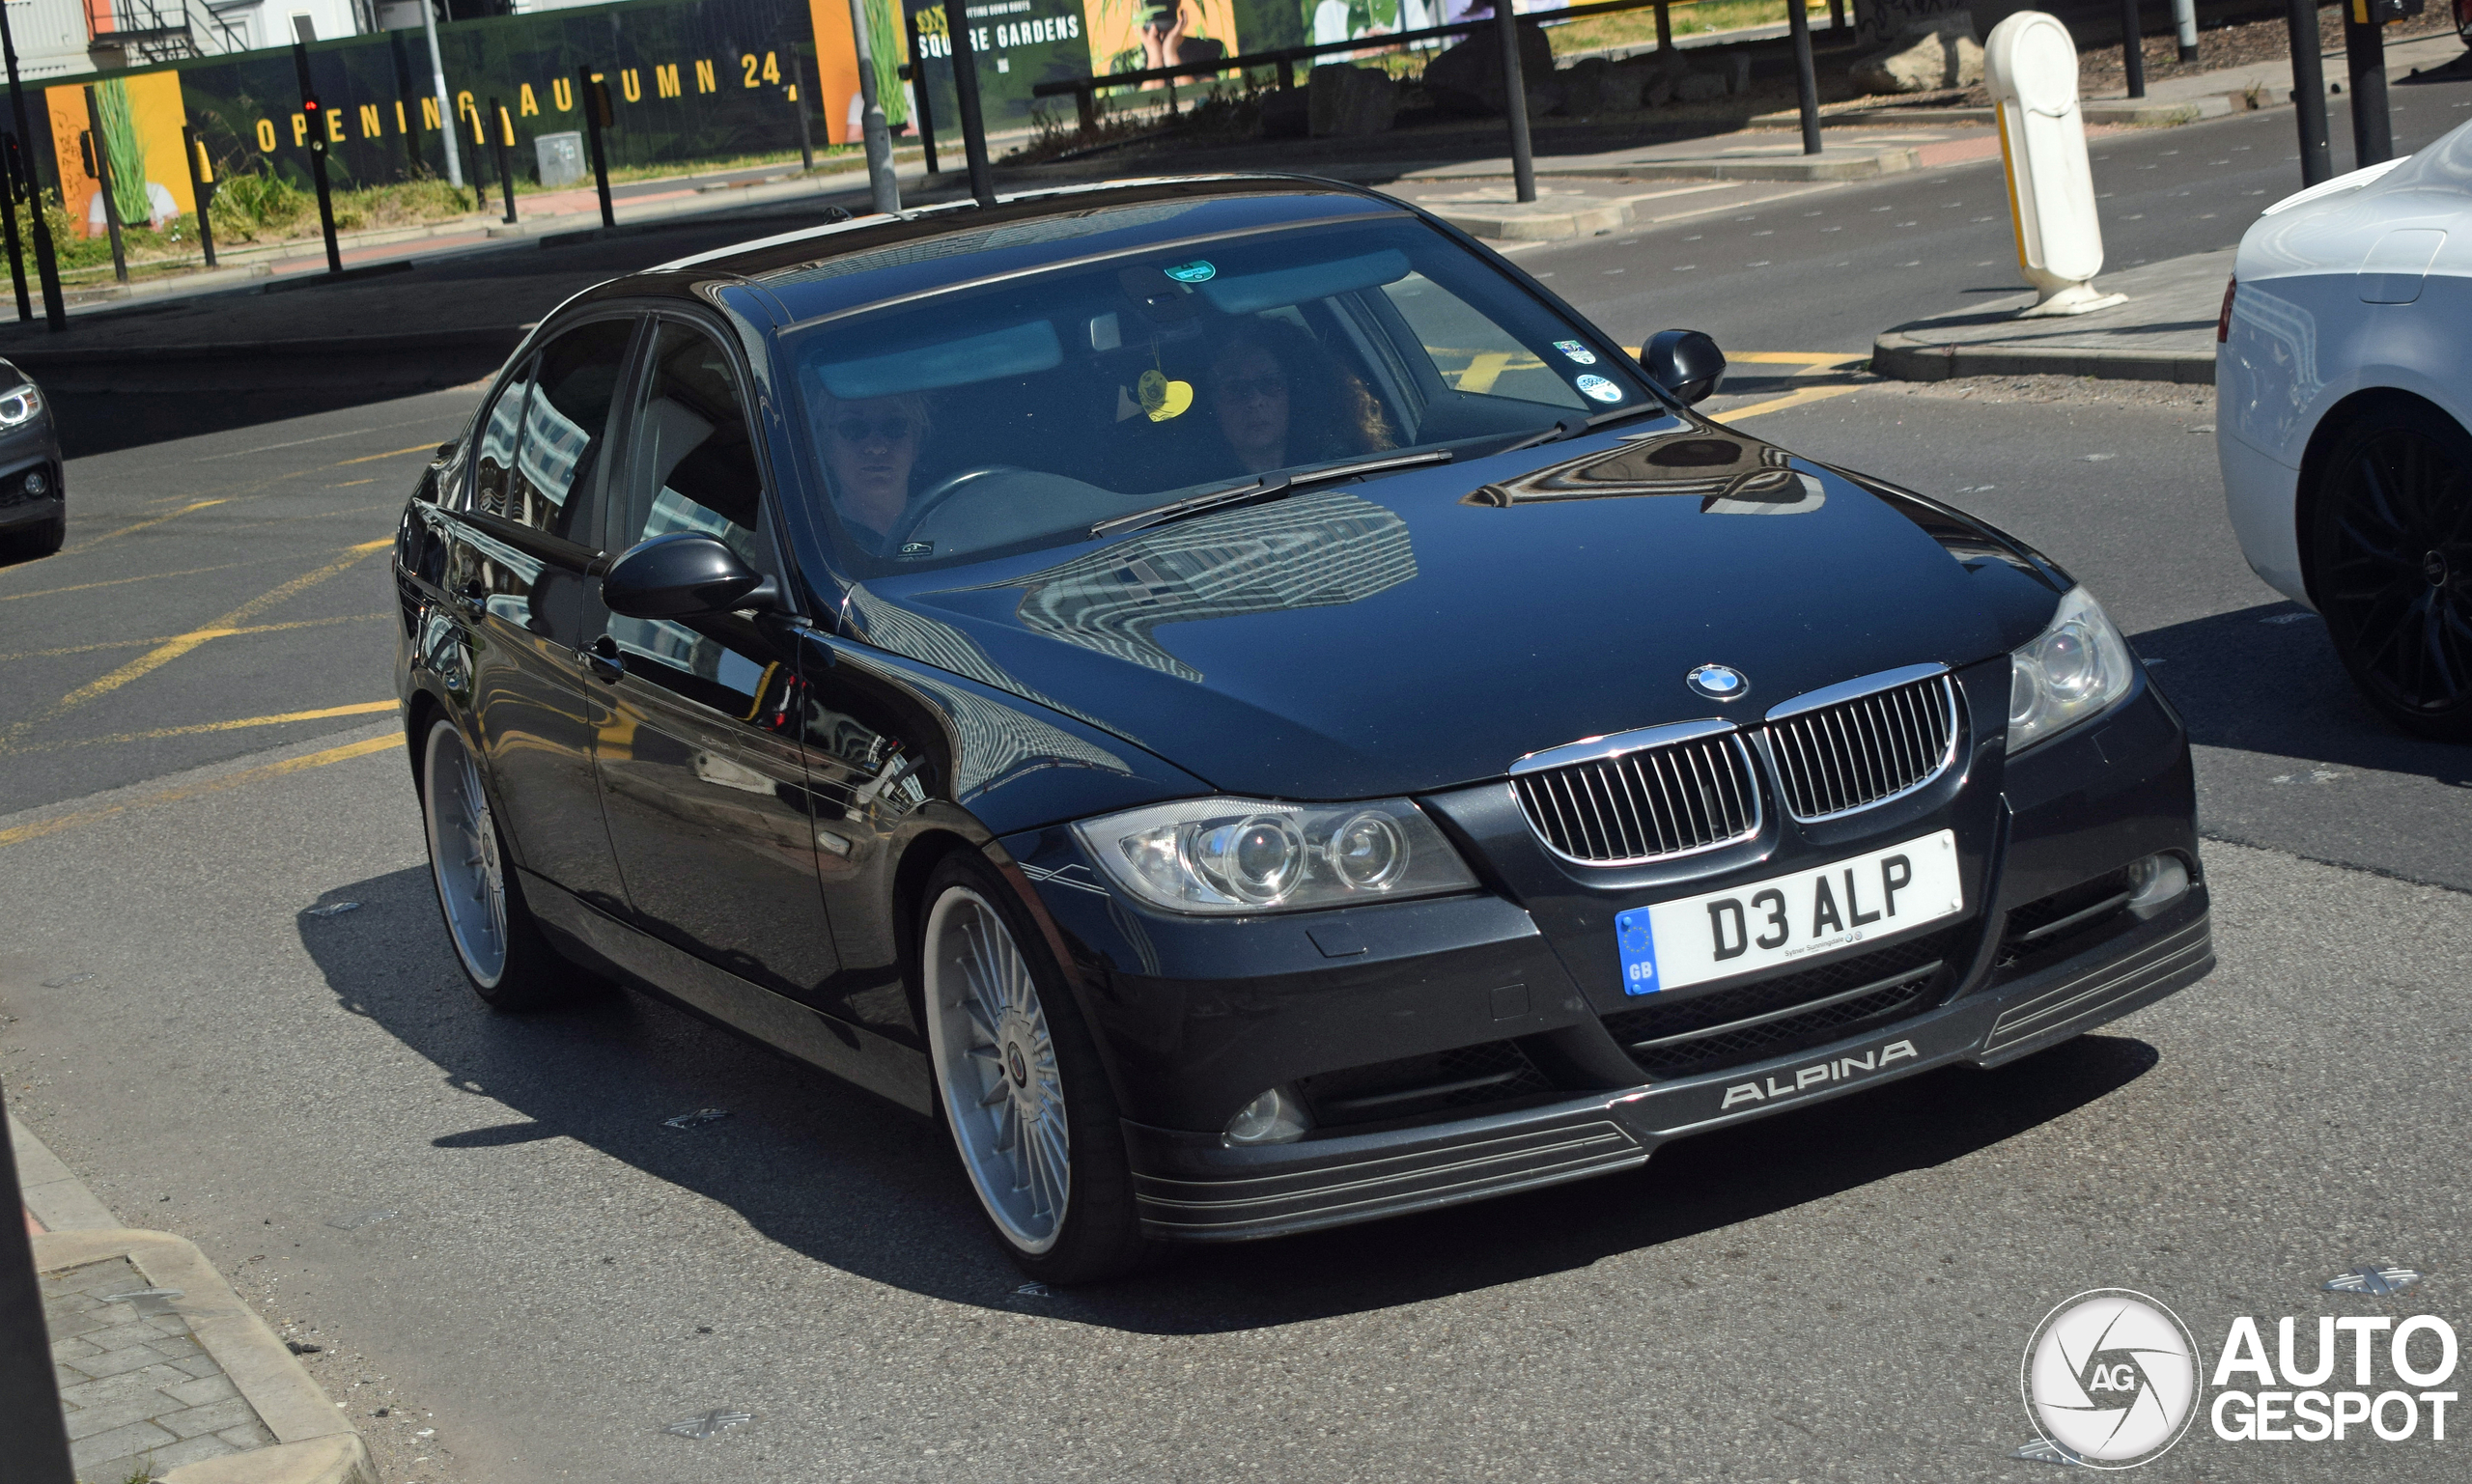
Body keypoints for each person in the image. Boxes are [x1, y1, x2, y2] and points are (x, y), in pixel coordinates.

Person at [1198, 318, 1392, 476]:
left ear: (1299, 394)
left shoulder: (1348, 470)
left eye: (1271, 384)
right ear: (1212, 404)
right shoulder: (1191, 486)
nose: (1255, 401)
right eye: (1235, 388)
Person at [811, 390, 931, 544]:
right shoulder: (811, 542)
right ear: (826, 446)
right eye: (853, 427)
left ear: (916, 442)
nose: (876, 446)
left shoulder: (949, 523)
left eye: (895, 426)